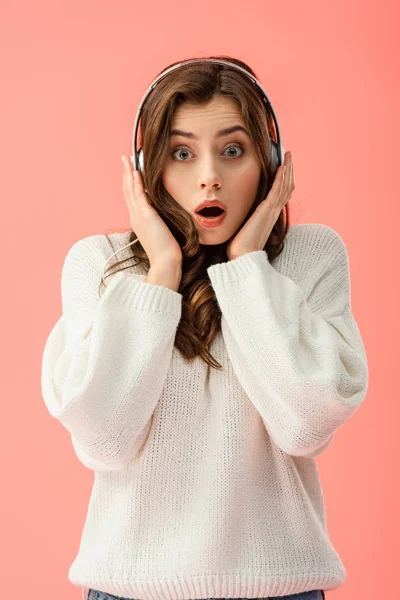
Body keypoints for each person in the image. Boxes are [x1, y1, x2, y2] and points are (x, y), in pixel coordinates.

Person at [41, 55, 369, 600]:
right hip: (130, 589)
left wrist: (246, 264)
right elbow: (103, 439)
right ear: (148, 168)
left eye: (233, 150)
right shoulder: (99, 265)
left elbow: (305, 426)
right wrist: (163, 270)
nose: (209, 175)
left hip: (279, 587)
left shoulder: (312, 258)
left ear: (269, 162)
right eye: (182, 152)